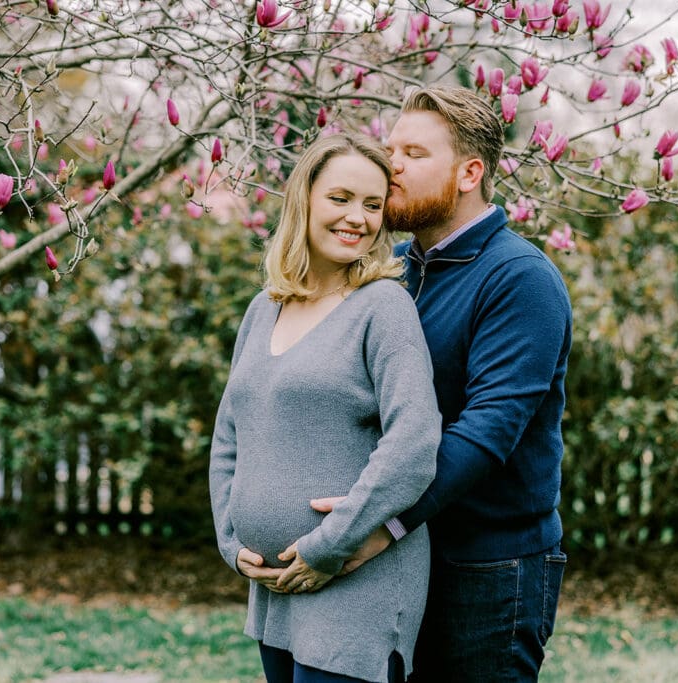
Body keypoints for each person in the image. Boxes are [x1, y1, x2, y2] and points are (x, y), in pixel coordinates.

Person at [311, 86, 573, 681]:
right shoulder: (390, 271)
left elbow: (487, 431)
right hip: (402, 561)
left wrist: (381, 523)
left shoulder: (519, 278)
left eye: (413, 153)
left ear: (469, 172)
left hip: (488, 566)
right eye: (389, 149)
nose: (391, 165)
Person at [209, 133, 442, 683]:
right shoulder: (264, 308)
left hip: (354, 588)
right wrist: (230, 541)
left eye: (373, 205)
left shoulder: (383, 307)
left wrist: (328, 544)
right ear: (305, 199)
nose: (356, 218)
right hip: (274, 591)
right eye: (341, 198)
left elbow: (414, 443)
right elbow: (229, 438)